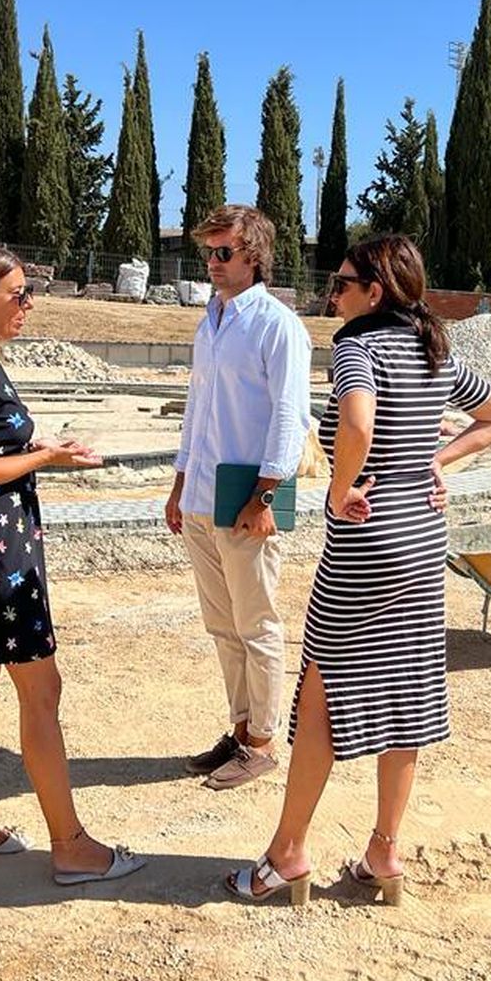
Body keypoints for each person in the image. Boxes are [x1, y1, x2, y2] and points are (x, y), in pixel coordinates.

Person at [226, 234, 491, 904]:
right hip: (421, 541)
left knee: (322, 692)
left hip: (366, 543)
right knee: (408, 691)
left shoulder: (356, 348)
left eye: (342, 284)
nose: (332, 295)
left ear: (374, 292)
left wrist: (339, 490)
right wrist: (434, 463)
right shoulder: (432, 347)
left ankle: (288, 853)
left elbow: (356, 423)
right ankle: (385, 851)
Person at [0, 241, 146, 886]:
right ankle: (70, 845)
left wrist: (40, 447)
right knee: (41, 692)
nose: (28, 305)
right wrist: (45, 457)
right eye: (18, 294)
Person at [165, 205, 312, 792]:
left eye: (224, 252)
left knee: (257, 624)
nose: (212, 262)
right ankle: (240, 728)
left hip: (248, 498)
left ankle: (263, 742)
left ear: (254, 256)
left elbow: (290, 415)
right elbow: (197, 409)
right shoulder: (211, 321)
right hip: (203, 495)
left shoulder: (278, 326)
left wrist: (267, 495)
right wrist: (179, 483)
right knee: (223, 626)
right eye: (208, 252)